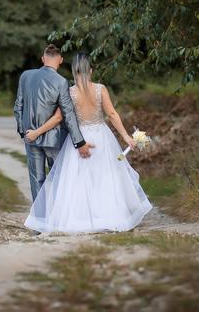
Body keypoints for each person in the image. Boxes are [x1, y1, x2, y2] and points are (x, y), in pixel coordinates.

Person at [24, 52, 153, 233]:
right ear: (90, 71)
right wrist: (126, 136)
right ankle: (109, 217)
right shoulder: (101, 89)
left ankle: (81, 219)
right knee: (105, 177)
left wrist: (37, 132)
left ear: (74, 71)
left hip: (79, 139)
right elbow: (112, 114)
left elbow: (58, 118)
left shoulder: (70, 92)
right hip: (102, 137)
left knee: (79, 179)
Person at [14, 44, 93, 202]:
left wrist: (23, 132)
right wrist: (79, 141)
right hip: (54, 139)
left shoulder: (25, 76)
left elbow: (18, 106)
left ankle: (39, 215)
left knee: (36, 179)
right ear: (61, 60)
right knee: (58, 178)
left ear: (43, 59)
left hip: (30, 137)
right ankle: (56, 213)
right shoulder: (61, 82)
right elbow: (67, 113)